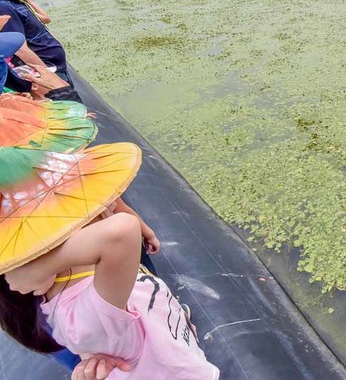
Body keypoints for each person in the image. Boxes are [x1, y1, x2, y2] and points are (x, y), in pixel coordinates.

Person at [0, 145, 219, 380]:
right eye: (88, 206)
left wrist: (176, 329)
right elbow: (121, 231)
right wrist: (38, 269)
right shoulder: (84, 316)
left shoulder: (100, 281)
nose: (106, 204)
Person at [0, 0, 74, 86]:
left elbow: (45, 20)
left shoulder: (15, 2)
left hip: (54, 69)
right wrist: (51, 79)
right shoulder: (4, 7)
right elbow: (20, 49)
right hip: (47, 73)